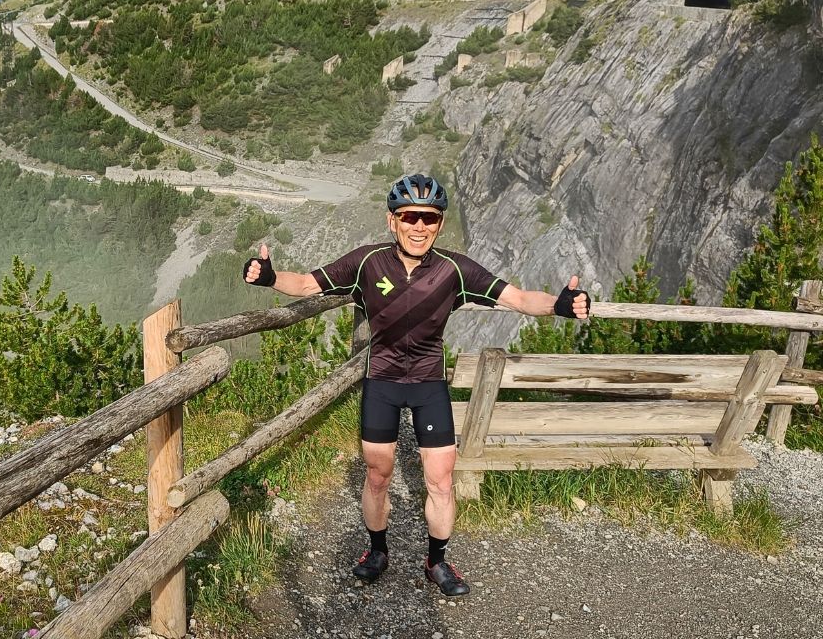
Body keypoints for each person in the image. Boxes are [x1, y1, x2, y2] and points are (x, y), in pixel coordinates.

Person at [242, 173, 590, 596]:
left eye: (429, 218)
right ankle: (377, 551)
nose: (419, 227)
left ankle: (437, 561)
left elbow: (516, 298)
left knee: (441, 481)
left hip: (428, 384)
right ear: (393, 220)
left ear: (439, 224)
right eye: (410, 216)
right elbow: (306, 284)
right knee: (377, 476)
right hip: (383, 381)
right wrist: (269, 277)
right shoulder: (368, 263)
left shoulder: (455, 270)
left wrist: (557, 305)